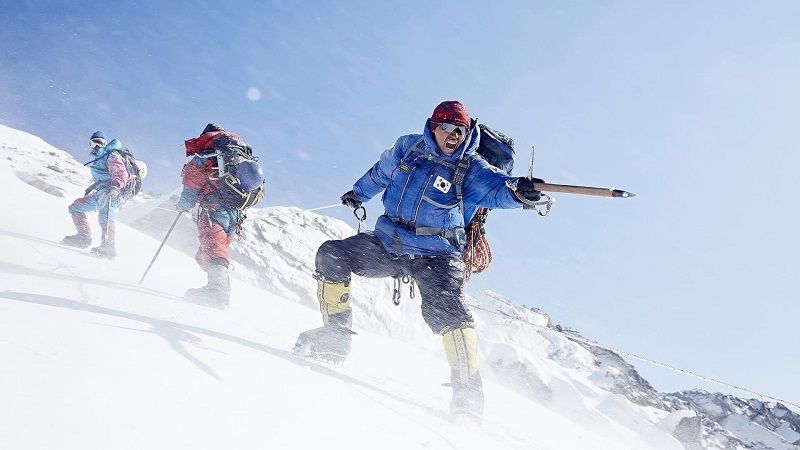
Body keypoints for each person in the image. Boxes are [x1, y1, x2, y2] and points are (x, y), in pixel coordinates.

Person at [293, 101, 544, 420]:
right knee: (333, 254)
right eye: (447, 128)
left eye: (460, 130)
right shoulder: (408, 148)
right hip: (390, 243)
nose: (453, 136)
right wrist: (358, 193)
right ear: (433, 126)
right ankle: (334, 338)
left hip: (437, 255)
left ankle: (468, 394)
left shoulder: (471, 168)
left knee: (449, 313)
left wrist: (521, 192)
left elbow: (499, 190)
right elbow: (380, 173)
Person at [176, 123, 263, 308]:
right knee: (209, 251)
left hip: (214, 208)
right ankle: (221, 288)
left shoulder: (206, 155)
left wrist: (183, 205)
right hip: (236, 214)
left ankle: (217, 291)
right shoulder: (236, 153)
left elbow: (191, 184)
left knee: (212, 246)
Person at [62, 131, 129, 259]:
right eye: (93, 143)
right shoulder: (100, 158)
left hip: (111, 192)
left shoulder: (111, 154)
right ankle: (84, 237)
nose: (96, 145)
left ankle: (108, 247)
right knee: (76, 207)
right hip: (102, 192)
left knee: (105, 216)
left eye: (100, 142)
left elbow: (121, 172)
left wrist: (116, 186)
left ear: (105, 144)